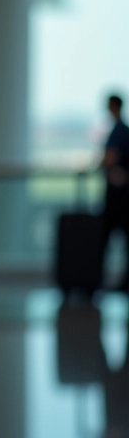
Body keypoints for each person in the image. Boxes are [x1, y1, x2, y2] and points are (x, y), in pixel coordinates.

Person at [101, 94, 129, 292]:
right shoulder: (124, 131)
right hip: (124, 196)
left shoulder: (118, 132)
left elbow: (109, 160)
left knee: (105, 238)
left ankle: (98, 278)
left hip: (117, 197)